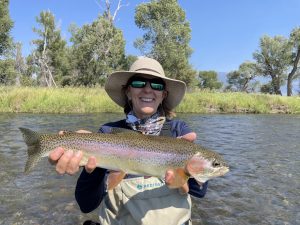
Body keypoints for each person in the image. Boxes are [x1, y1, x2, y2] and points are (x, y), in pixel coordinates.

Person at [49, 57, 208, 225]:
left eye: (156, 85)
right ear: (128, 92)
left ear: (163, 94)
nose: (148, 89)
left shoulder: (178, 131)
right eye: (139, 83)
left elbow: (200, 191)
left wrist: (185, 172)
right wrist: (94, 164)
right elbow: (86, 204)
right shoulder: (108, 133)